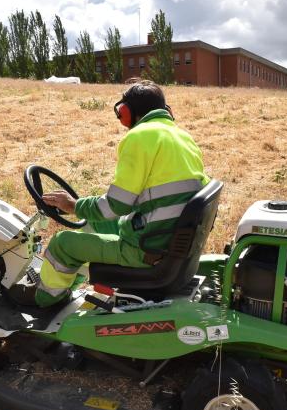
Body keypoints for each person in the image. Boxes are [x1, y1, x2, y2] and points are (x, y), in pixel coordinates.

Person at [13, 79, 208, 308]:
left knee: (61, 244)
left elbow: (117, 205)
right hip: (167, 237)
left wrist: (73, 206)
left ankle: (46, 301)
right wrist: (81, 207)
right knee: (91, 224)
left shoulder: (139, 137)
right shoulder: (183, 137)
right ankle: (70, 283)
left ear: (126, 112)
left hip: (146, 249)